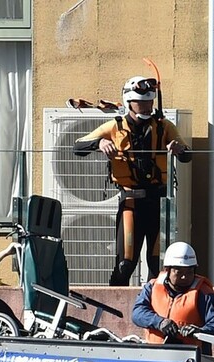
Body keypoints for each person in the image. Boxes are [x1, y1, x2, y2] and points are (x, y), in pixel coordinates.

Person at [73, 75, 191, 286]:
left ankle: (154, 311)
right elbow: (78, 146)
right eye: (141, 102)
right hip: (131, 203)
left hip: (159, 203)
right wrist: (99, 143)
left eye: (149, 101)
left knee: (158, 264)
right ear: (129, 102)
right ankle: (114, 311)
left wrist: (178, 149)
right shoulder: (114, 126)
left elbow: (187, 154)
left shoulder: (164, 127)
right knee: (125, 264)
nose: (147, 106)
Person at [131, 242, 214, 355]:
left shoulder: (204, 293)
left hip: (191, 360)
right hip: (154, 357)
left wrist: (201, 331)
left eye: (189, 272)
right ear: (167, 270)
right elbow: (137, 313)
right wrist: (160, 322)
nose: (184, 277)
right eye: (179, 272)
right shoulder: (152, 287)